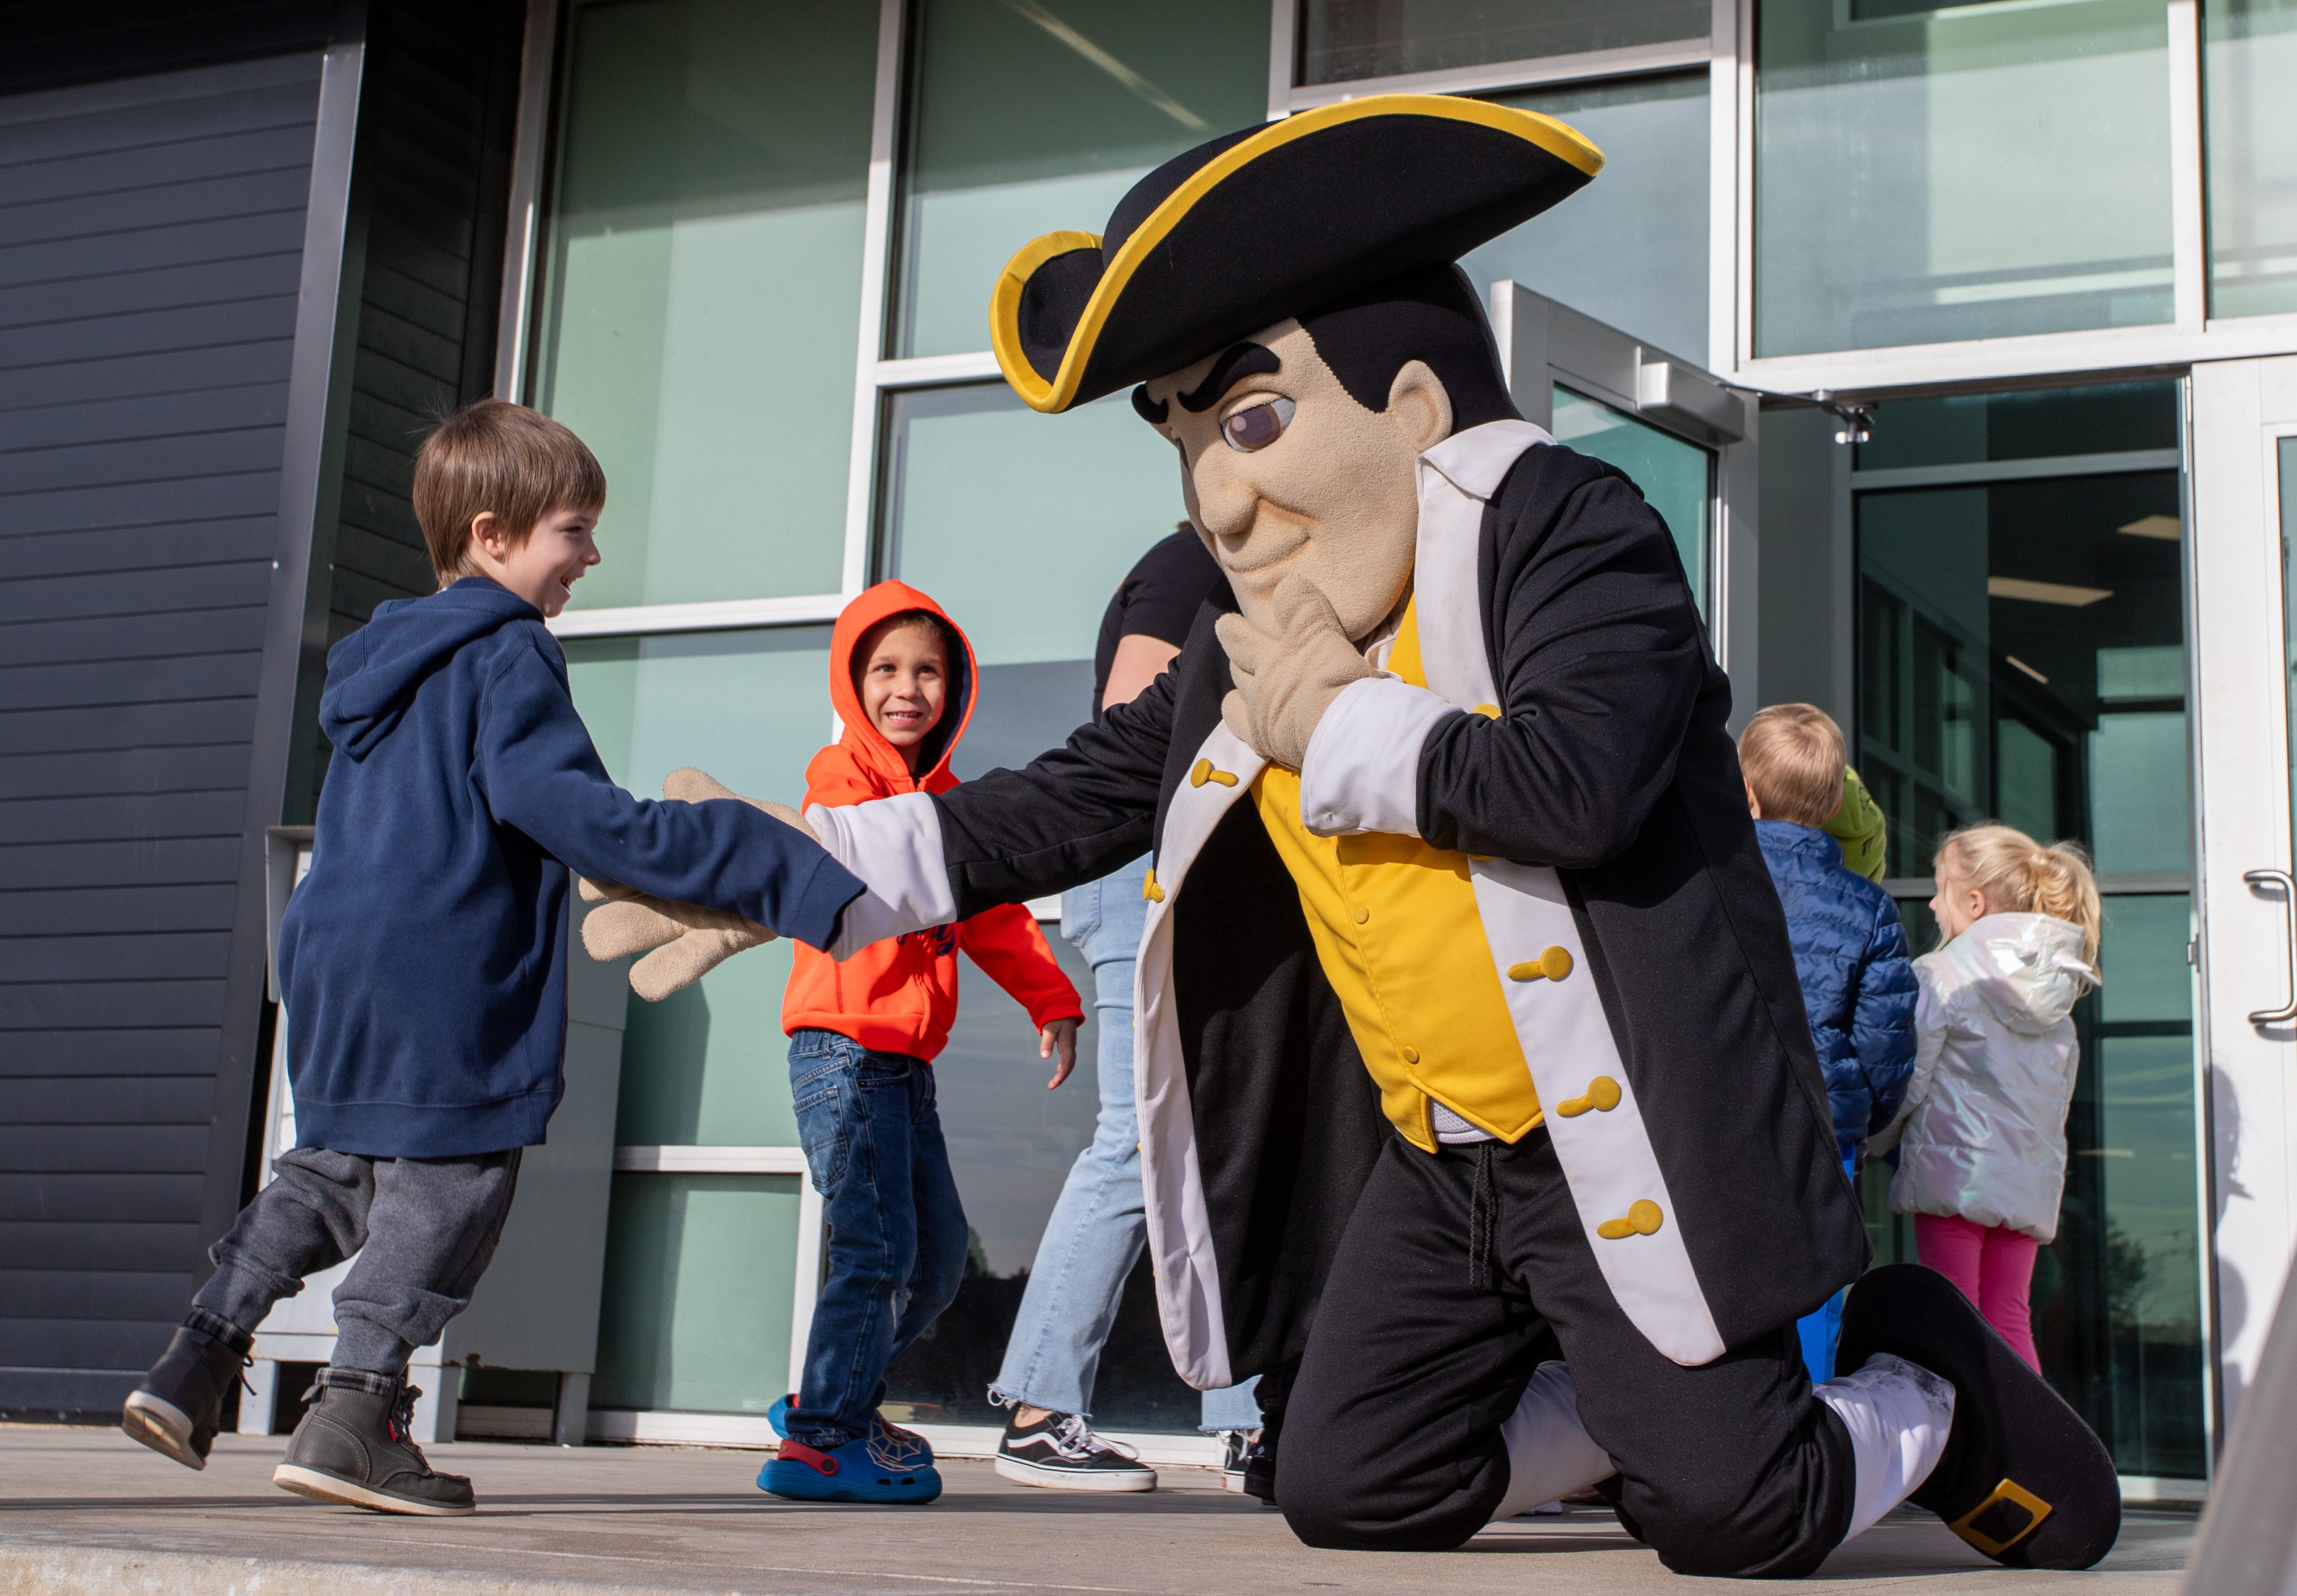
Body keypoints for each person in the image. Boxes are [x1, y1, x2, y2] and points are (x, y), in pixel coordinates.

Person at [619, 93, 2120, 1572]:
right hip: (1436, 1157)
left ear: (1411, 409)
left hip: (1619, 1135)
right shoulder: (1243, 644)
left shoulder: (1571, 530)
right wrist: (797, 870)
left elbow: (1576, 780)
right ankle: (1638, 1410)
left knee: (1737, 1514)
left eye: (1252, 419)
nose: (1218, 492)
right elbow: (1074, 797)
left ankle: (1921, 1378)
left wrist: (1336, 723)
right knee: (1344, 1479)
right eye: (1188, 443)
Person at [118, 400, 863, 1515]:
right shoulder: (509, 652)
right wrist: (769, 853)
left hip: (333, 948)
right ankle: (355, 1413)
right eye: (574, 529)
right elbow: (574, 816)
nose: (592, 554)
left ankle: (202, 1352)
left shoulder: (387, 662)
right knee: (457, 1176)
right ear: (491, 534)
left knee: (338, 1164)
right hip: (442, 957)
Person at [756, 582, 1084, 1506]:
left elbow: (993, 915)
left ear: (957, 685)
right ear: (854, 681)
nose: (908, 688)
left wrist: (1051, 997)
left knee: (937, 1261)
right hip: (844, 1051)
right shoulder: (841, 778)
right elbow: (853, 850)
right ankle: (822, 1440)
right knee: (875, 1253)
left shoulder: (950, 802)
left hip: (906, 1064)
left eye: (929, 670)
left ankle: (834, 1400)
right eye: (887, 669)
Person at [988, 525, 1263, 1494]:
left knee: (1223, 1140)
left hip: (1183, 868)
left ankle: (1247, 1422)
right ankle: (1039, 1408)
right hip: (1147, 865)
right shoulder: (1197, 561)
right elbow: (1130, 724)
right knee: (1136, 1141)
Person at [1869, 824, 2102, 1373]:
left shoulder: (1942, 975)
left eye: (1939, 887)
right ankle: (2029, 1452)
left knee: (1953, 1314)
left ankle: (1970, 1451)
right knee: (2010, 1316)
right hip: (2025, 1186)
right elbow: (2056, 1105)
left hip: (1955, 1177)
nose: (1929, 902)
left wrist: (1871, 1140)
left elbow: (1911, 1079)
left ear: (1974, 903)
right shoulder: (2057, 999)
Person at [1738, 705, 1916, 1382]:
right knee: (1814, 1287)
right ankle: (1808, 1441)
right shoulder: (1867, 906)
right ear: (1838, 800)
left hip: (1722, 1119)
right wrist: (1865, 1114)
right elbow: (1886, 1038)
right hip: (1823, 1126)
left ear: (1746, 792)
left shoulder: (1713, 885)